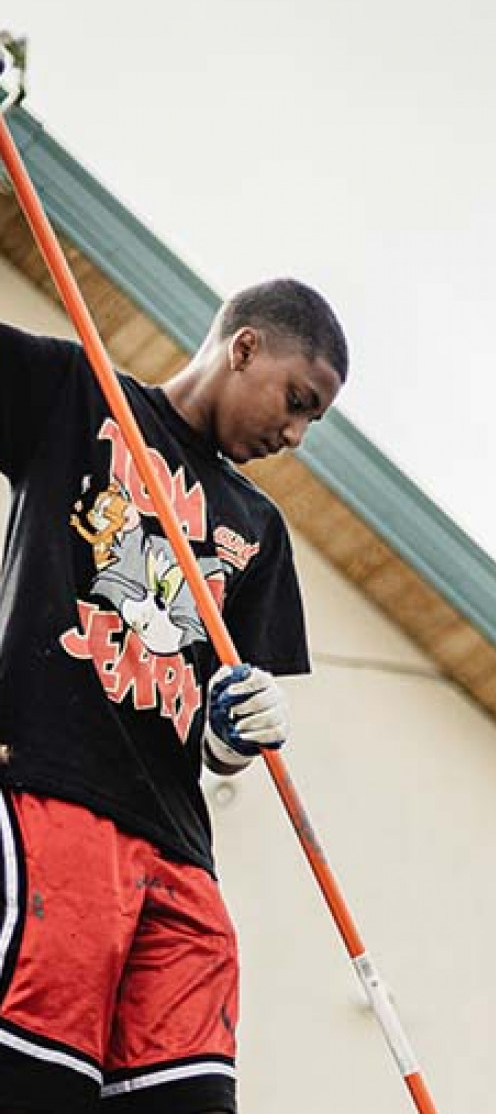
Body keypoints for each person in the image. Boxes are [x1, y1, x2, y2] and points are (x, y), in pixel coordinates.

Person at [0, 277, 347, 1114]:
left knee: (187, 1098)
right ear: (245, 346)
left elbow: (219, 741)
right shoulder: (80, 399)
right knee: (38, 1078)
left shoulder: (257, 526)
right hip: (55, 794)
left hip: (181, 847)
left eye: (314, 420)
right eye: (297, 401)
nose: (296, 433)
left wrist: (244, 725)